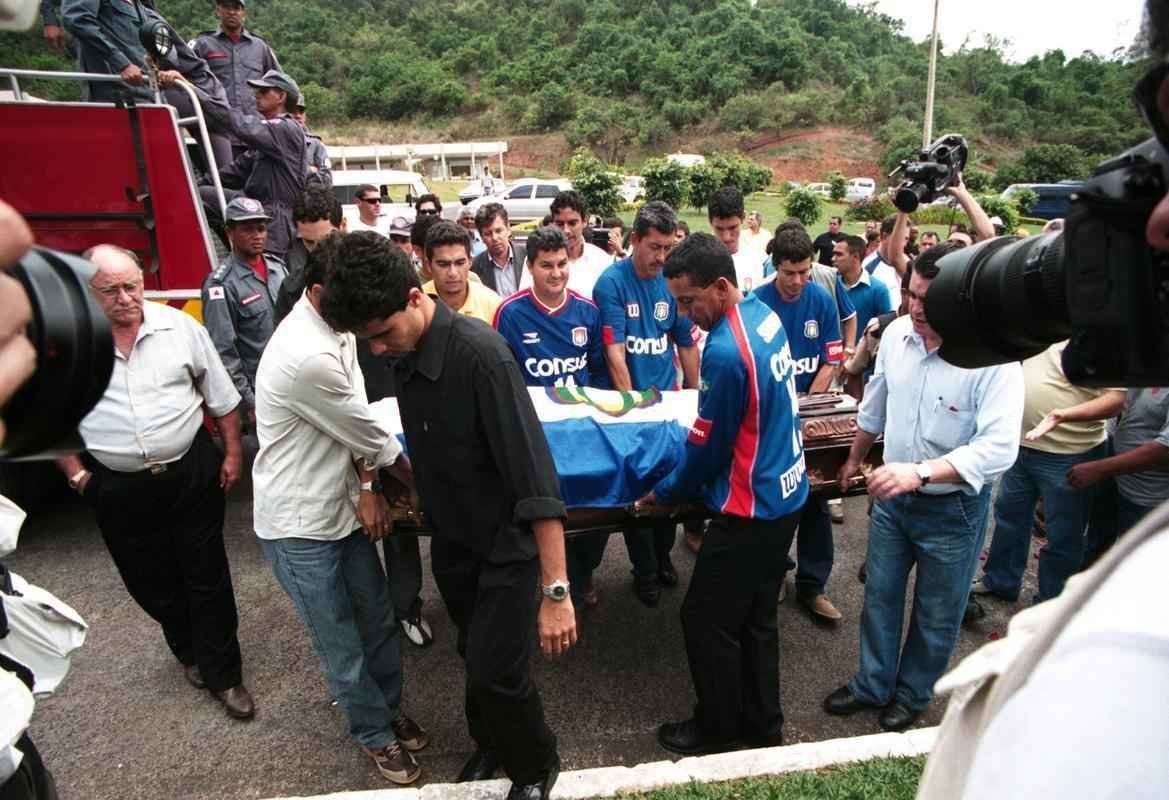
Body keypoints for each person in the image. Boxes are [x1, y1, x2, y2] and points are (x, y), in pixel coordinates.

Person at [320, 233, 574, 800]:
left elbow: (536, 480)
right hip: (455, 543)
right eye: (369, 340)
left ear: (416, 297)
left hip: (507, 549)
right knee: (470, 653)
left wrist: (556, 592)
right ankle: (493, 744)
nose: (379, 350)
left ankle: (536, 765)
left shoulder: (482, 358)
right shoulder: (404, 354)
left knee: (497, 670)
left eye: (383, 334)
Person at [252, 232, 429, 784]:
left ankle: (387, 709)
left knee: (376, 619)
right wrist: (424, 486)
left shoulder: (336, 324)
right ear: (321, 290)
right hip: (299, 526)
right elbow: (372, 436)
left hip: (341, 506)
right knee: (341, 642)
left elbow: (359, 422)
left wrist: (368, 488)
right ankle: (373, 733)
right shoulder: (306, 354)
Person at [825, 242, 1023, 732]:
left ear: (960, 302)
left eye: (928, 301)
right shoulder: (895, 336)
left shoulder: (993, 360)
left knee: (938, 613)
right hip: (893, 504)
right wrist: (854, 457)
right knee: (880, 597)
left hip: (952, 509)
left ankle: (912, 695)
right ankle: (872, 684)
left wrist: (922, 472)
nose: (915, 308)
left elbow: (999, 449)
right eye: (911, 295)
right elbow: (876, 402)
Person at [53, 244, 254, 720]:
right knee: (150, 579)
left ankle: (225, 675)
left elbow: (221, 398)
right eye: (110, 290)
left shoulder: (180, 327)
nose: (125, 298)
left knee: (207, 574)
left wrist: (231, 454)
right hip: (117, 486)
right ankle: (188, 650)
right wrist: (78, 475)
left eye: (133, 286)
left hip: (189, 472)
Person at [637, 232, 807, 756]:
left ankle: (715, 728)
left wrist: (663, 495)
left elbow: (707, 451)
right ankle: (762, 723)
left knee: (705, 619)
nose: (686, 316)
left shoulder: (728, 352)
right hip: (788, 492)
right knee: (755, 616)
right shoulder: (763, 315)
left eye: (690, 302)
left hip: (751, 507)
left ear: (721, 285)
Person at [493, 226, 609, 607]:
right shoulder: (510, 314)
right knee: (538, 510)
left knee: (592, 511)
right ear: (530, 267)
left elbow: (597, 375)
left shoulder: (587, 312)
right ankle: (544, 582)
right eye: (547, 266)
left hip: (579, 431)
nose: (556, 273)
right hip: (534, 433)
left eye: (561, 264)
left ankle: (583, 573)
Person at [593, 201, 699, 607]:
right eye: (654, 247)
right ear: (634, 240)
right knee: (638, 492)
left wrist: (692, 395)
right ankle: (645, 570)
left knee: (670, 487)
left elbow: (686, 343)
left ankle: (662, 556)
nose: (661, 257)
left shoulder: (673, 280)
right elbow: (614, 351)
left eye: (668, 248)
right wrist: (633, 407)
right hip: (633, 406)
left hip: (669, 402)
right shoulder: (611, 283)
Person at [971, 342, 1117, 605]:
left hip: (1070, 452)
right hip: (1022, 445)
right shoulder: (1042, 324)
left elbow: (1115, 399)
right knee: (1009, 516)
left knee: (1063, 533)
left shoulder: (1101, 334)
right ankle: (1001, 580)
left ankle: (1050, 603)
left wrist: (1063, 415)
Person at [753, 228, 845, 621]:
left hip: (810, 419)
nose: (797, 281)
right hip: (770, 425)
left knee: (816, 504)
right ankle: (773, 575)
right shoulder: (757, 302)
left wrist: (807, 403)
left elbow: (832, 357)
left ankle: (813, 586)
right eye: (790, 273)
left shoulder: (821, 300)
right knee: (773, 505)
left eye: (804, 272)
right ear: (777, 267)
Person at [1026, 387, 1169, 562]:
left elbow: (1164, 450)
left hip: (1148, 495)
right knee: (1094, 543)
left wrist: (1100, 468)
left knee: (1137, 561)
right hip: (1114, 476)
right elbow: (1120, 409)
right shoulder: (1151, 366)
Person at [184, 68, 307, 260]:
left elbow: (238, 123)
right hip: (255, 208)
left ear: (281, 96)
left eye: (264, 91)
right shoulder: (267, 138)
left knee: (267, 277)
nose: (257, 95)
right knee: (198, 194)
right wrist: (191, 185)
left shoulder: (285, 128)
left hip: (274, 222)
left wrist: (194, 92)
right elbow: (236, 170)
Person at [201, 197, 287, 423]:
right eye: (248, 229)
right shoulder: (220, 285)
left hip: (290, 381)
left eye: (261, 228)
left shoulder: (278, 269)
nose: (257, 235)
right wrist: (250, 402)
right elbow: (224, 352)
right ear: (229, 233)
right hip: (259, 393)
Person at [191, 0, 281, 159]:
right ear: (218, 11)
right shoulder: (202, 44)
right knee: (221, 181)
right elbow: (187, 76)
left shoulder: (260, 46)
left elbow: (279, 82)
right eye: (226, 7)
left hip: (255, 133)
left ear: (243, 13)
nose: (231, 12)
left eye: (236, 8)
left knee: (257, 181)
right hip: (218, 133)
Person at [521, 191, 612, 299]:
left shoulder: (601, 260)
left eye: (572, 223)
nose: (566, 230)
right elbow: (525, 300)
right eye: (560, 224)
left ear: (584, 221)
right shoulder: (537, 259)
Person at [275, 184, 344, 324]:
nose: (319, 250)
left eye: (326, 240)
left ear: (342, 225)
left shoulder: (370, 272)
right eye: (309, 242)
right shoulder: (292, 289)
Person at [420, 221, 501, 324]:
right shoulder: (416, 304)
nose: (453, 273)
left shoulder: (493, 304)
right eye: (443, 264)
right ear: (428, 265)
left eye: (459, 263)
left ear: (470, 261)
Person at [832, 234, 893, 339]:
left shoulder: (878, 290)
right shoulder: (830, 284)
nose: (833, 259)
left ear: (855, 256)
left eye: (839, 255)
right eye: (834, 254)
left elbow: (885, 327)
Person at [708, 186, 764, 292]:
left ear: (743, 217)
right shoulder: (698, 261)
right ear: (710, 222)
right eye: (719, 229)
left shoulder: (755, 261)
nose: (726, 237)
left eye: (733, 227)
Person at [471, 203, 525, 296]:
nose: (495, 238)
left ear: (508, 229)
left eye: (498, 231)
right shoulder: (475, 267)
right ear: (481, 237)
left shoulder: (528, 256)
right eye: (488, 234)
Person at [291, 96, 332, 188]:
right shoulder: (275, 141)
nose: (298, 115)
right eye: (293, 111)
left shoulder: (315, 143)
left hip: (307, 198)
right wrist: (311, 170)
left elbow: (327, 180)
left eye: (301, 111)